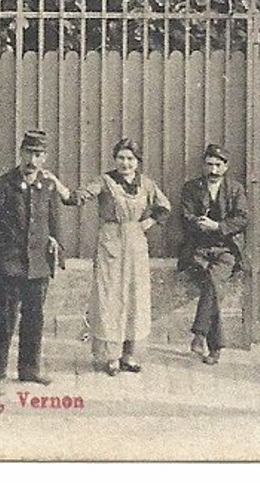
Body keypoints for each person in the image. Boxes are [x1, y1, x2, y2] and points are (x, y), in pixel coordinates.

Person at [0, 129, 74, 396]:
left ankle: (29, 369)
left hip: (38, 264)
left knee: (34, 318)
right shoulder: (2, 185)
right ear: (20, 153)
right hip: (9, 264)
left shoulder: (48, 186)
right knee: (4, 319)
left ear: (45, 157)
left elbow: (54, 223)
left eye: (38, 154)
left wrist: (58, 248)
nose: (33, 160)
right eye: (29, 153)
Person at [73, 138, 173, 375]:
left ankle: (130, 355)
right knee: (110, 298)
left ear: (137, 162)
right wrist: (67, 192)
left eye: (130, 159)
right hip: (111, 244)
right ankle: (111, 357)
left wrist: (149, 221)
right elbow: (82, 195)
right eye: (121, 158)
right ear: (114, 159)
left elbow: (164, 206)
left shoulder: (146, 185)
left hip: (136, 244)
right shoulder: (105, 182)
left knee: (135, 298)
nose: (125, 163)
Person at [178, 143, 249, 366]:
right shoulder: (191, 187)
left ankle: (200, 335)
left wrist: (217, 226)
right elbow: (185, 215)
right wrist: (200, 223)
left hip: (226, 250)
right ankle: (214, 346)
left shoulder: (235, 189)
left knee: (212, 282)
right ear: (203, 165)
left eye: (218, 165)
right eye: (210, 164)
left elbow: (242, 218)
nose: (214, 170)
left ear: (226, 167)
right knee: (213, 287)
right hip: (198, 250)